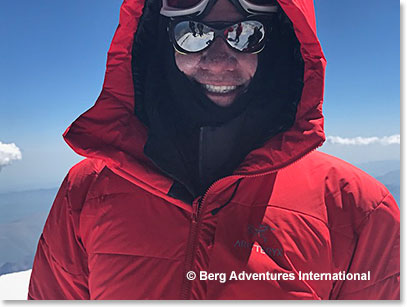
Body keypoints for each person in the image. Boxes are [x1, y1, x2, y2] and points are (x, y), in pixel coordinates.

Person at [28, 0, 400, 300]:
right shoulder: (87, 191)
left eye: (246, 34)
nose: (220, 60)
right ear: (159, 41)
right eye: (193, 33)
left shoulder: (358, 208)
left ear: (278, 47)